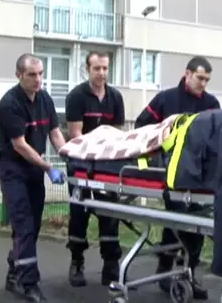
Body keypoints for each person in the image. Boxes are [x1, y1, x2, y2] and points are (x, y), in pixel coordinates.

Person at [134, 56, 220, 300]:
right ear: (188, 74)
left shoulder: (212, 103)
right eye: (200, 78)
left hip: (200, 174)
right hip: (171, 172)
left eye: (207, 80)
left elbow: (218, 136)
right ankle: (165, 267)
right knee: (177, 219)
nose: (203, 83)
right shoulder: (166, 99)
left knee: (199, 223)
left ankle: (190, 273)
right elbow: (142, 126)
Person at [0, 53, 67, 302]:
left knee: (33, 225)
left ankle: (14, 269)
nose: (38, 80)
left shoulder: (45, 99)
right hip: (13, 169)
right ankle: (28, 283)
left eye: (41, 74)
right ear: (19, 75)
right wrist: (49, 167)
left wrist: (70, 156)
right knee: (24, 223)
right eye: (32, 75)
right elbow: (20, 146)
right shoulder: (9, 104)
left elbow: (55, 133)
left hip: (34, 170)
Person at [64, 51, 125, 287]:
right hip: (80, 162)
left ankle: (111, 264)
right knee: (79, 212)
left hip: (106, 165)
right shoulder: (77, 96)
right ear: (87, 69)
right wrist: (93, 156)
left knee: (109, 213)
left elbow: (116, 134)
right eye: (96, 68)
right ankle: (77, 261)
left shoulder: (115, 97)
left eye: (105, 68)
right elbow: (76, 135)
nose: (101, 73)